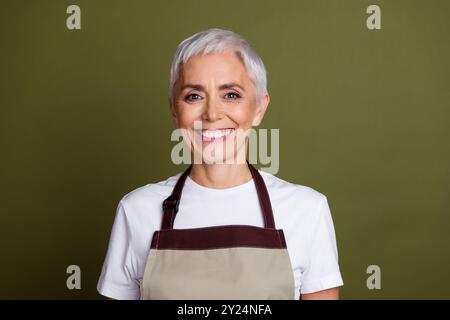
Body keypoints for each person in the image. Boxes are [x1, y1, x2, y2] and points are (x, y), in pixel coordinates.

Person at [97, 28, 344, 300]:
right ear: (174, 110)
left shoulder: (307, 210)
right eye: (194, 96)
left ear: (259, 108)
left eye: (231, 95)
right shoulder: (136, 211)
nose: (212, 114)